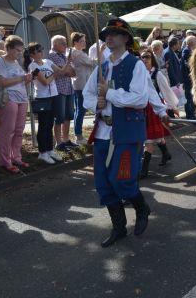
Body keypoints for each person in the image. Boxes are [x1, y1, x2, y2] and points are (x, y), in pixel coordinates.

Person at [83, 16, 151, 247]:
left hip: (127, 133)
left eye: (114, 33)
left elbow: (141, 99)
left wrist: (110, 94)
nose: (109, 37)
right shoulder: (101, 67)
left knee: (121, 180)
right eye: (106, 34)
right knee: (103, 184)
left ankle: (142, 208)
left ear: (125, 38)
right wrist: (97, 104)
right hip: (103, 132)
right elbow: (87, 95)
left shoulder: (136, 65)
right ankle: (119, 228)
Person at [0, 36, 33, 173]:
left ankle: (16, 157)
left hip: (22, 98)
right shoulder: (0, 61)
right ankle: (5, 161)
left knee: (19, 130)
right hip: (9, 98)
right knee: (7, 130)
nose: (20, 53)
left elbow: (20, 82)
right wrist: (22, 78)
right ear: (8, 48)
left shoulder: (17, 63)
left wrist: (27, 79)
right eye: (17, 50)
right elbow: (1, 82)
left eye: (21, 51)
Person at [139, 48, 178, 178]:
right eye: (142, 57)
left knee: (149, 138)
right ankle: (166, 153)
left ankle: (144, 170)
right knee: (155, 135)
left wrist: (173, 106)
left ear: (152, 59)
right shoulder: (138, 73)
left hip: (154, 108)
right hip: (141, 108)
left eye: (147, 57)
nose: (144, 59)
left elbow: (166, 91)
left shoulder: (157, 74)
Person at [24, 43, 64, 165]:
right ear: (32, 54)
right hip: (42, 98)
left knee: (50, 124)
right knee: (43, 125)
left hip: (53, 96)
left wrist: (67, 65)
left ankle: (50, 150)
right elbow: (45, 82)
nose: (41, 52)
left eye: (42, 49)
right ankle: (42, 153)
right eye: (38, 51)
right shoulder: (32, 66)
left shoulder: (47, 61)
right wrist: (55, 74)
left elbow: (60, 71)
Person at [48, 35, 77, 151]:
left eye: (65, 43)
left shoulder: (64, 56)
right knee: (59, 117)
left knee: (68, 115)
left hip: (68, 88)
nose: (66, 46)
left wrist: (67, 68)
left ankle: (66, 140)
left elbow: (73, 72)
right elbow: (63, 71)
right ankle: (59, 142)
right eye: (63, 43)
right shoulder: (52, 56)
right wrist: (67, 67)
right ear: (55, 45)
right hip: (59, 90)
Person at [70, 32, 97, 145]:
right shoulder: (77, 54)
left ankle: (78, 134)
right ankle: (79, 136)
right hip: (81, 85)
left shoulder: (78, 52)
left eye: (85, 40)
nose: (84, 42)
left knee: (80, 110)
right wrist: (100, 52)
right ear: (75, 42)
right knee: (81, 110)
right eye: (81, 41)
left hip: (80, 84)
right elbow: (92, 63)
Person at [181, 34, 196, 120]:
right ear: (192, 42)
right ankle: (190, 115)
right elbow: (187, 64)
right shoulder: (186, 51)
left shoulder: (191, 50)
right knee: (188, 97)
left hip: (191, 78)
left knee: (191, 96)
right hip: (187, 79)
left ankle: (192, 113)